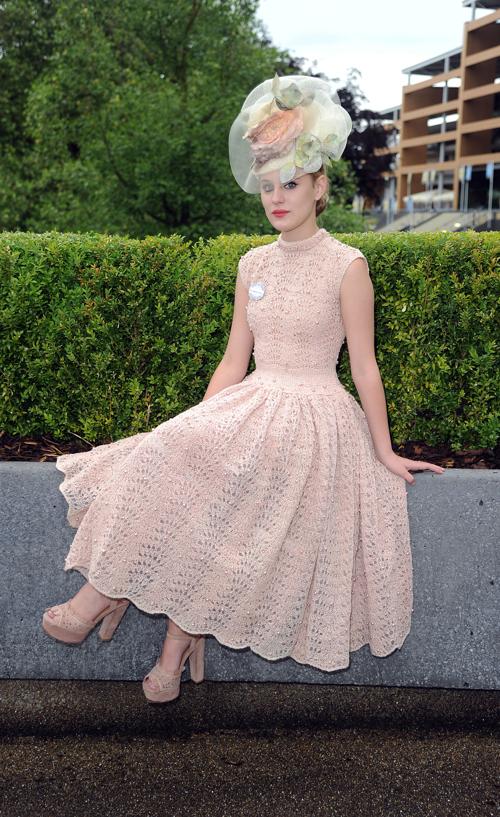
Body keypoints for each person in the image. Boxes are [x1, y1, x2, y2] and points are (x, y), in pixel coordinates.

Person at [42, 73, 444, 704]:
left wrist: (385, 451)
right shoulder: (252, 263)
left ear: (319, 187)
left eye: (291, 184)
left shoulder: (347, 266)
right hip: (254, 399)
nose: (277, 198)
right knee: (179, 458)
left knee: (241, 497)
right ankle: (115, 600)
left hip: (315, 413)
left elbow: (365, 368)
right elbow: (234, 360)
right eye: (268, 186)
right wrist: (201, 428)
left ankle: (169, 638)